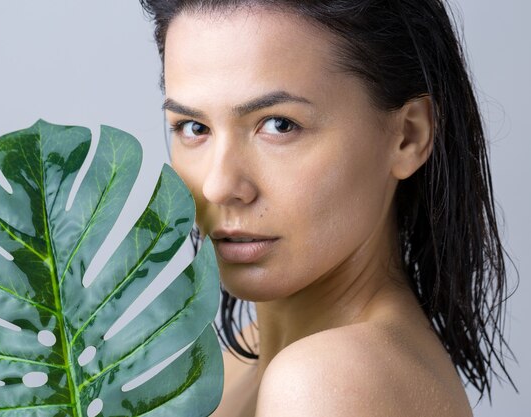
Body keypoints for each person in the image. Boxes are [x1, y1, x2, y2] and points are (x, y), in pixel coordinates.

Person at [140, 1, 515, 416]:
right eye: (194, 128)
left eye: (279, 124)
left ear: (408, 136)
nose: (219, 186)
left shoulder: (324, 383)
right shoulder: (242, 362)